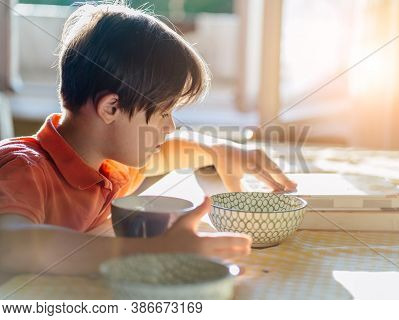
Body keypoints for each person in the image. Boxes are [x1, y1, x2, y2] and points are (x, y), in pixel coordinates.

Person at [0, 3, 296, 275]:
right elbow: (11, 246)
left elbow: (165, 154)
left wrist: (218, 150)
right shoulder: (25, 170)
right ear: (111, 108)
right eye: (164, 113)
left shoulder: (107, 163)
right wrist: (155, 251)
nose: (171, 128)